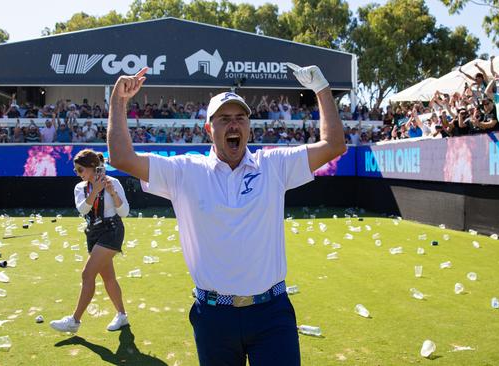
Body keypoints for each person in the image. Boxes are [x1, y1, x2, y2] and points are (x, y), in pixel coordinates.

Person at [107, 63, 346, 365]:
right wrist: (119, 100)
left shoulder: (273, 165)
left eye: (240, 118)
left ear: (249, 126)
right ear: (209, 129)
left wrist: (322, 88)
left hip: (271, 313)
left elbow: (334, 144)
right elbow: (121, 157)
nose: (234, 125)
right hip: (213, 317)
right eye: (224, 119)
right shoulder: (184, 171)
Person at [50, 149, 130, 333]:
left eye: (80, 170)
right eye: (77, 171)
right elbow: (83, 210)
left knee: (87, 275)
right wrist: (95, 190)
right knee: (109, 278)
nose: (78, 174)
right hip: (93, 233)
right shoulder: (80, 187)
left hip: (112, 230)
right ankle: (122, 315)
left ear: (92, 168)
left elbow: (124, 212)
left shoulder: (114, 182)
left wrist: (112, 192)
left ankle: (74, 321)